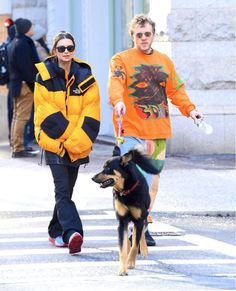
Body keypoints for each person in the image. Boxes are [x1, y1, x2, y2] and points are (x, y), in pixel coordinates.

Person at [108, 14, 203, 246]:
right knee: (134, 180)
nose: (143, 38)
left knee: (152, 183)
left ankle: (143, 224)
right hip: (130, 130)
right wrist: (118, 101)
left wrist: (190, 110)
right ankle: (132, 225)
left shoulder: (164, 61)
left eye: (147, 34)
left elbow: (176, 90)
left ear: (153, 35)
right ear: (132, 36)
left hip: (158, 132)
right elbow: (116, 83)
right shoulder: (120, 59)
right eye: (139, 34)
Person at [34, 31, 100, 254]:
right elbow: (45, 112)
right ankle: (73, 233)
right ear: (54, 50)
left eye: (69, 47)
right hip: (54, 142)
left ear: (74, 49)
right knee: (62, 190)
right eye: (61, 48)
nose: (65, 52)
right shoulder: (43, 76)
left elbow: (91, 111)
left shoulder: (85, 75)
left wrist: (77, 141)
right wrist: (71, 139)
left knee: (66, 192)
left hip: (77, 144)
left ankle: (55, 230)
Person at [8, 18, 40, 158]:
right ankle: (18, 149)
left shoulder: (14, 42)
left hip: (16, 84)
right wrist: (34, 82)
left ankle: (17, 146)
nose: (33, 28)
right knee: (22, 117)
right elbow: (27, 67)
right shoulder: (24, 43)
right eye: (31, 26)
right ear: (26, 28)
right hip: (24, 85)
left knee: (17, 116)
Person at [3, 18, 15, 141]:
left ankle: (13, 138)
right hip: (14, 82)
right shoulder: (10, 44)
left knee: (14, 112)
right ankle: (14, 139)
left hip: (11, 82)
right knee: (16, 113)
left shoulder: (8, 44)